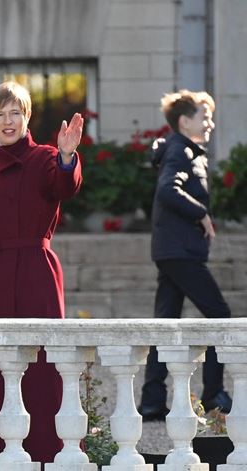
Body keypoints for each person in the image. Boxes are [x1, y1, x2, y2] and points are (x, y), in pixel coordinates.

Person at [0, 81, 83, 463]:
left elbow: (66, 185)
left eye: (16, 113)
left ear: (27, 117)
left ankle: (46, 454)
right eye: (0, 114)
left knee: (41, 369)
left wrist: (66, 156)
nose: (8, 121)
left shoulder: (46, 158)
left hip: (35, 275)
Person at [138, 90, 232, 421]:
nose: (211, 123)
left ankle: (151, 400)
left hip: (173, 251)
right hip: (180, 252)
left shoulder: (182, 150)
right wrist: (201, 214)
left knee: (164, 324)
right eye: (204, 117)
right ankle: (213, 396)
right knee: (220, 314)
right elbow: (167, 190)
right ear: (184, 121)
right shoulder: (180, 151)